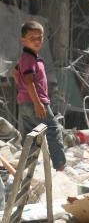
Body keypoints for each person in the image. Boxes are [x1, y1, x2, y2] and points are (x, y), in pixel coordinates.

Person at [12, 21, 66, 171]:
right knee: (53, 130)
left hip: (25, 103)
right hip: (37, 103)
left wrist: (22, 91)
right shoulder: (29, 58)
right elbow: (29, 81)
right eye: (32, 38)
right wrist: (37, 103)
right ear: (23, 40)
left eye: (39, 37)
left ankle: (28, 169)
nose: (37, 41)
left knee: (33, 138)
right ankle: (60, 166)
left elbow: (15, 72)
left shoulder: (27, 57)